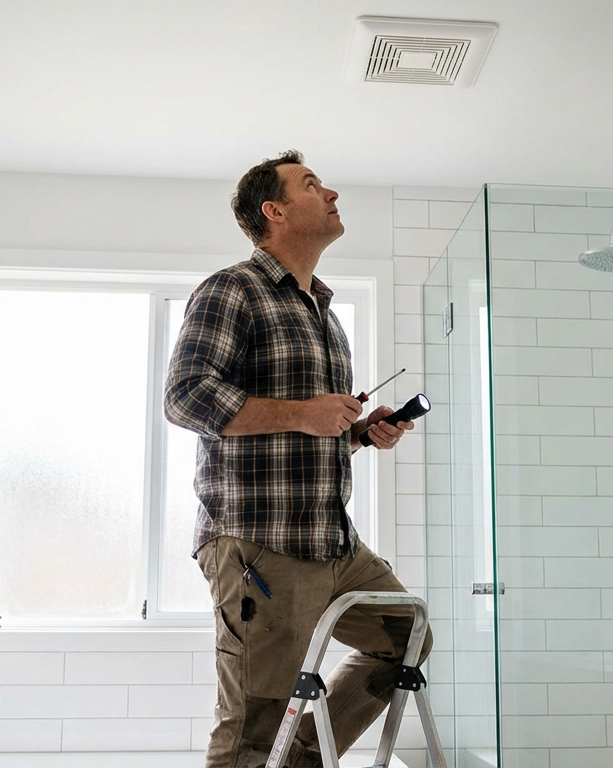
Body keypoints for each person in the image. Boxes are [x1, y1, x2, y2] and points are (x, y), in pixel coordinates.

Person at [164, 150, 431, 767]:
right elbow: (185, 398)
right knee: (254, 722)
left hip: (335, 545)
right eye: (312, 185)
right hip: (261, 543)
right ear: (275, 210)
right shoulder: (233, 290)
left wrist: (359, 432)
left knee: (407, 640)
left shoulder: (325, 316)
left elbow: (310, 434)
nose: (331, 192)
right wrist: (303, 412)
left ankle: (302, 760)